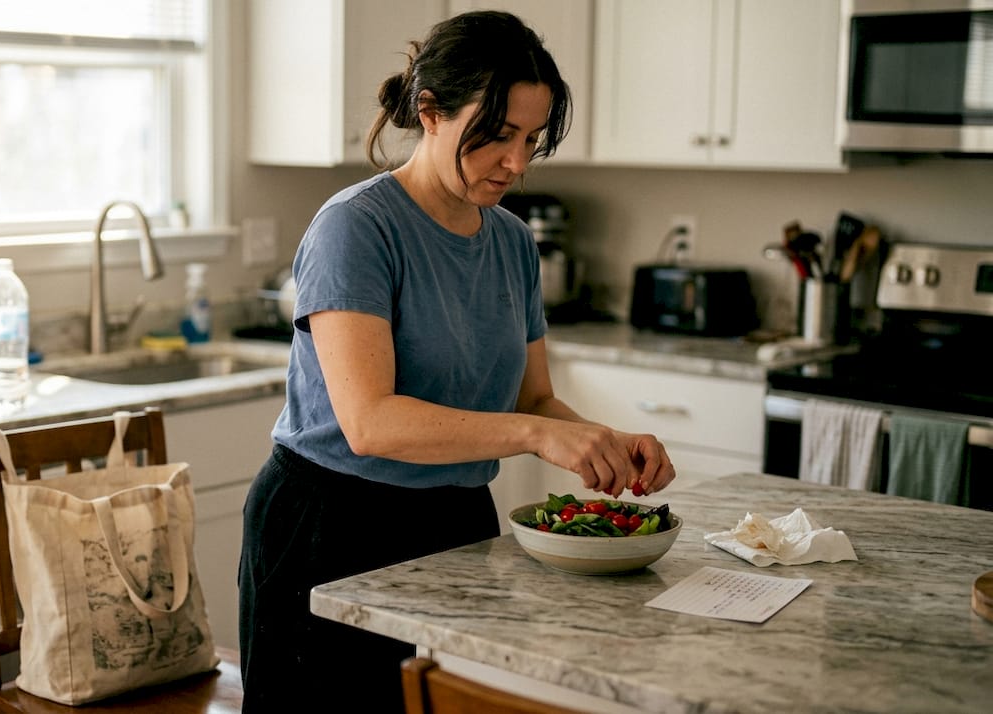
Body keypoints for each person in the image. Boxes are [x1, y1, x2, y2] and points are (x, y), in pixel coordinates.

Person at [237, 10, 676, 713]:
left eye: (531, 138)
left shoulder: (511, 243)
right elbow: (370, 422)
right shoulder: (356, 227)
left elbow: (533, 402)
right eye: (498, 135)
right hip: (331, 528)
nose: (518, 162)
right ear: (430, 111)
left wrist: (602, 440)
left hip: (456, 524)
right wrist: (539, 436)